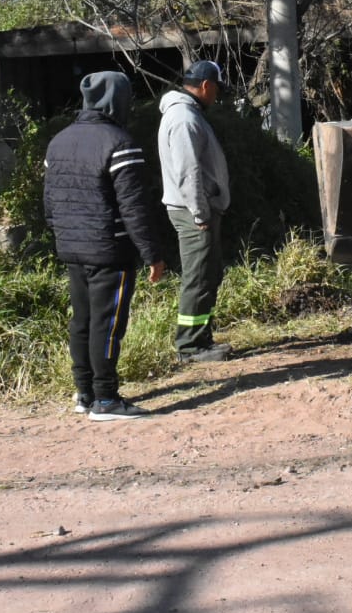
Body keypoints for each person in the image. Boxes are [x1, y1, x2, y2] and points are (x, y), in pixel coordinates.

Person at [44, 71, 168, 421]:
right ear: (118, 100)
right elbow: (134, 207)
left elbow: (49, 203)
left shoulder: (59, 142)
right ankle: (106, 399)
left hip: (72, 247)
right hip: (109, 249)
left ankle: (84, 393)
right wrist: (152, 254)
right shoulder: (119, 143)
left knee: (82, 320)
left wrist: (62, 234)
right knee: (108, 323)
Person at [159, 60, 233, 362]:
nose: (216, 95)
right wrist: (201, 213)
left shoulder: (187, 114)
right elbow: (188, 172)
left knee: (208, 274)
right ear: (205, 86)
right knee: (198, 277)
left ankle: (202, 339)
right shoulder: (184, 118)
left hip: (197, 210)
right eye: (215, 88)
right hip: (193, 213)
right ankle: (190, 347)